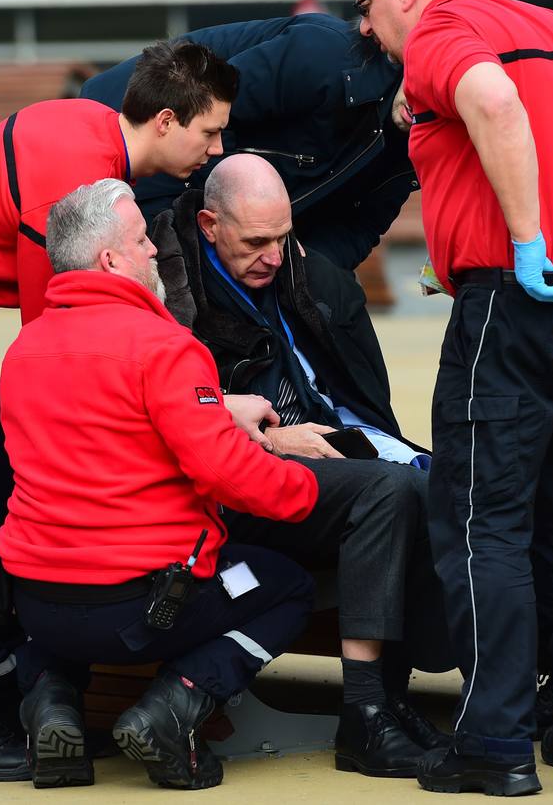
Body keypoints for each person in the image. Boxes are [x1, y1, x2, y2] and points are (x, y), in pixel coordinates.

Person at [0, 41, 237, 782]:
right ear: (164, 119)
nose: (216, 150)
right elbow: (55, 333)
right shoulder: (76, 171)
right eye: (210, 132)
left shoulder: (90, 137)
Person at [351, 0, 553, 795]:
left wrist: (528, 244)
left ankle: (492, 743)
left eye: (367, 8)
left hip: (516, 307)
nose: (367, 31)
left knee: (480, 521)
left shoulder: (445, 36)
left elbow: (493, 104)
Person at [0, 179, 319, 790]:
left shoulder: (25, 347)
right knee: (284, 586)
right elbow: (224, 470)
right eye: (142, 241)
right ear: (110, 260)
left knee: (67, 597)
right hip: (146, 606)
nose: (155, 253)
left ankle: (50, 703)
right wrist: (307, 488)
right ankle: (175, 704)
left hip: (37, 600)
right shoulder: (167, 346)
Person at [152, 153, 452, 778]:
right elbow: (166, 420)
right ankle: (368, 715)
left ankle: (397, 701)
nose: (273, 255)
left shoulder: (309, 276)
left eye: (283, 238)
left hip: (340, 446)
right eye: (255, 241)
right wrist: (268, 440)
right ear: (209, 225)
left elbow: (365, 399)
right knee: (391, 493)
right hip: (248, 482)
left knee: (452, 487)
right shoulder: (174, 302)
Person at [81, 13, 417, 270]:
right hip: (133, 137)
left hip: (203, 192)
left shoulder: (417, 141)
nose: (431, 108)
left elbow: (357, 227)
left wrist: (303, 269)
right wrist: (220, 232)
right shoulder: (324, 57)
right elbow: (204, 121)